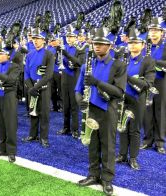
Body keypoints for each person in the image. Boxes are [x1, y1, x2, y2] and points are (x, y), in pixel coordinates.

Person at [75, 27, 127, 195]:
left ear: (109, 46)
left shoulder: (118, 65)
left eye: (101, 44)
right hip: (91, 110)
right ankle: (93, 174)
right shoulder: (86, 65)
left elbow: (119, 92)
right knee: (92, 144)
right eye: (95, 43)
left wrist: (97, 83)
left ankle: (107, 179)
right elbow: (78, 89)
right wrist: (80, 102)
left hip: (108, 111)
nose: (97, 46)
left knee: (108, 145)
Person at [115, 27, 155, 170]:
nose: (132, 45)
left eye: (136, 42)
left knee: (135, 129)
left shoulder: (147, 61)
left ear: (143, 45)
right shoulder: (122, 59)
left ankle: (133, 158)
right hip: (123, 98)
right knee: (122, 128)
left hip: (138, 99)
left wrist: (128, 78)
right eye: (130, 42)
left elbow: (148, 84)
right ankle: (122, 154)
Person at [22, 27, 54, 148]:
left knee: (44, 113)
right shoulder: (30, 54)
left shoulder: (49, 54)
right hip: (32, 87)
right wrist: (31, 87)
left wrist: (36, 87)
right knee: (32, 112)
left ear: (43, 40)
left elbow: (49, 74)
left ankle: (44, 137)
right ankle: (33, 134)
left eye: (38, 39)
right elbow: (26, 73)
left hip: (44, 88)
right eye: (34, 38)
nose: (35, 41)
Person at [141, 17, 166, 154]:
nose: (153, 33)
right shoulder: (145, 46)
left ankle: (160, 142)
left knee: (160, 111)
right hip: (147, 82)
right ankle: (147, 140)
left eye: (156, 30)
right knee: (147, 111)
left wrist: (153, 63)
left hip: (161, 82)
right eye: (151, 30)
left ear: (161, 32)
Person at [57, 25, 85, 139]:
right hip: (64, 77)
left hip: (74, 78)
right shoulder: (64, 47)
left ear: (76, 37)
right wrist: (58, 54)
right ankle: (66, 127)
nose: (69, 38)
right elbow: (57, 61)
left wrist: (66, 55)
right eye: (68, 36)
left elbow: (79, 63)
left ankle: (75, 129)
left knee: (74, 105)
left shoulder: (80, 49)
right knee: (66, 105)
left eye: (71, 36)